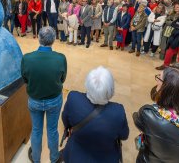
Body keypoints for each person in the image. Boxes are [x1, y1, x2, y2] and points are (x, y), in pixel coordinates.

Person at [61, 67, 129, 162]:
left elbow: (65, 120)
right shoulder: (118, 111)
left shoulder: (73, 98)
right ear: (110, 90)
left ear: (87, 85)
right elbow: (124, 135)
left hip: (75, 155)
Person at [21, 27, 67, 163]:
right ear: (53, 40)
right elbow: (62, 79)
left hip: (34, 100)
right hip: (54, 100)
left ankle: (36, 158)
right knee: (52, 130)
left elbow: (25, 79)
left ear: (39, 39)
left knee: (36, 130)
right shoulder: (60, 58)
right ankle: (54, 158)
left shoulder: (27, 58)